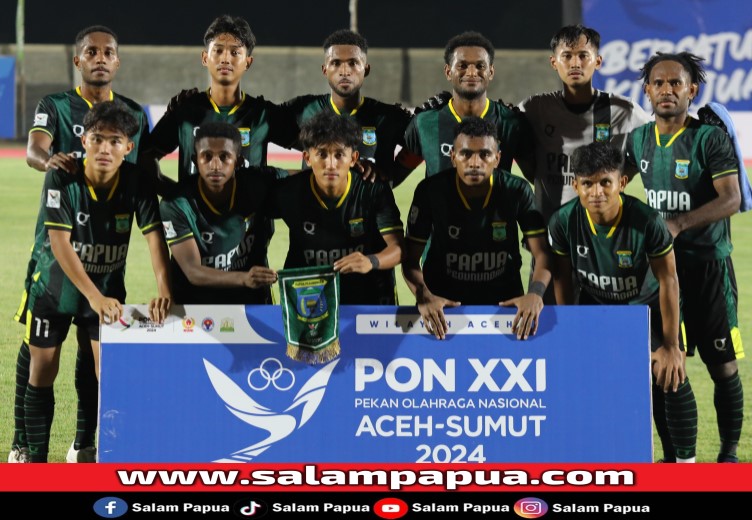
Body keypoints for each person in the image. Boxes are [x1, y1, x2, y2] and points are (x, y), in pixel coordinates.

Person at [9, 25, 151, 464]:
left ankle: (83, 444)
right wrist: (48, 159)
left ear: (118, 61)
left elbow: (143, 173)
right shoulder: (54, 104)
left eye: (108, 52)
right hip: (56, 244)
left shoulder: (131, 113)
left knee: (93, 355)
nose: (100, 58)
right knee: (38, 351)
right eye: (91, 52)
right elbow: (34, 149)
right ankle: (23, 442)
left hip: (106, 251)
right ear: (78, 60)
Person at [22, 101, 172, 462]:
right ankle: (36, 460)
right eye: (98, 139)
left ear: (128, 147)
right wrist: (93, 296)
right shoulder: (62, 176)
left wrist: (165, 290)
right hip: (55, 290)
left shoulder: (137, 181)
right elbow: (60, 243)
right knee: (42, 370)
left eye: (115, 141)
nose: (105, 148)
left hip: (107, 293)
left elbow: (155, 238)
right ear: (84, 140)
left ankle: (87, 447)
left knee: (106, 372)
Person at [626, 52, 744, 463]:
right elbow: (611, 183)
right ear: (647, 90)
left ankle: (728, 455)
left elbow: (732, 199)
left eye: (676, 83)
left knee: (722, 365)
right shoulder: (638, 139)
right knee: (663, 365)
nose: (666, 90)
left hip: (708, 267)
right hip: (661, 271)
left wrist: (677, 224)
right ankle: (673, 457)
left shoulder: (708, 139)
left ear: (692, 90)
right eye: (658, 83)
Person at [549, 141, 698, 463]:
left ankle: (685, 465)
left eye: (606, 182)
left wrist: (671, 345)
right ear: (575, 184)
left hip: (648, 308)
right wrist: (570, 330)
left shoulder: (647, 221)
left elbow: (668, 280)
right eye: (587, 183)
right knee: (594, 381)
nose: (596, 192)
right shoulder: (563, 221)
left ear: (622, 182)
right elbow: (563, 279)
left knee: (671, 375)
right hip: (597, 308)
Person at [518, 24, 652, 304]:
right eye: (567, 56)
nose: (575, 63)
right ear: (554, 62)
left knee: (601, 323)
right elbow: (500, 133)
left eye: (583, 55)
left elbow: (656, 142)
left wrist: (622, 177)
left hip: (603, 245)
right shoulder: (535, 109)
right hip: (552, 241)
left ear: (598, 61)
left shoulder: (623, 111)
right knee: (550, 322)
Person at [402, 117, 552, 341]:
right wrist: (423, 295)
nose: (475, 163)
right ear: (453, 157)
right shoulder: (430, 191)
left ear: (497, 159)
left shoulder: (517, 190)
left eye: (484, 154)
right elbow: (410, 260)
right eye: (465, 154)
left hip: (505, 307)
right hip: (443, 309)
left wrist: (535, 293)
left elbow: (542, 253)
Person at [264, 111, 404, 304]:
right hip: (309, 297)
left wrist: (370, 261)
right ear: (307, 158)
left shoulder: (373, 190)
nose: (330, 164)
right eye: (322, 154)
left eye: (339, 155)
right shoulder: (288, 192)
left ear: (353, 158)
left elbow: (398, 249)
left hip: (368, 294)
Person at [142, 14, 295, 187]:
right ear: (205, 58)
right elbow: (146, 157)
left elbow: (313, 148)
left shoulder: (262, 114)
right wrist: (175, 195)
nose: (225, 59)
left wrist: (276, 193)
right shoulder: (185, 110)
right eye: (218, 50)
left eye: (235, 52)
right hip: (195, 206)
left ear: (248, 62)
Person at [392, 31, 534, 185]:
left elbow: (538, 178)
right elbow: (391, 178)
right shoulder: (424, 123)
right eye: (462, 65)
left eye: (480, 66)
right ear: (448, 72)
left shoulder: (511, 123)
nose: (471, 72)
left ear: (491, 72)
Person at [159, 122, 280, 304]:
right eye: (207, 156)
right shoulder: (176, 204)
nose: (215, 165)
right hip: (194, 306)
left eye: (224, 157)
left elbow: (304, 179)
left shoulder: (258, 183)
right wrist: (244, 278)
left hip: (248, 301)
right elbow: (193, 271)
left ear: (238, 162)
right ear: (195, 161)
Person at [280, 29, 417, 182]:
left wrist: (392, 175)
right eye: (336, 63)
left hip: (372, 198)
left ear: (366, 69)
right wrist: (292, 178)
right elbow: (262, 128)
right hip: (314, 198)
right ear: (325, 70)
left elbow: (422, 141)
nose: (344, 71)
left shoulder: (388, 116)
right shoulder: (303, 110)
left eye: (353, 63)